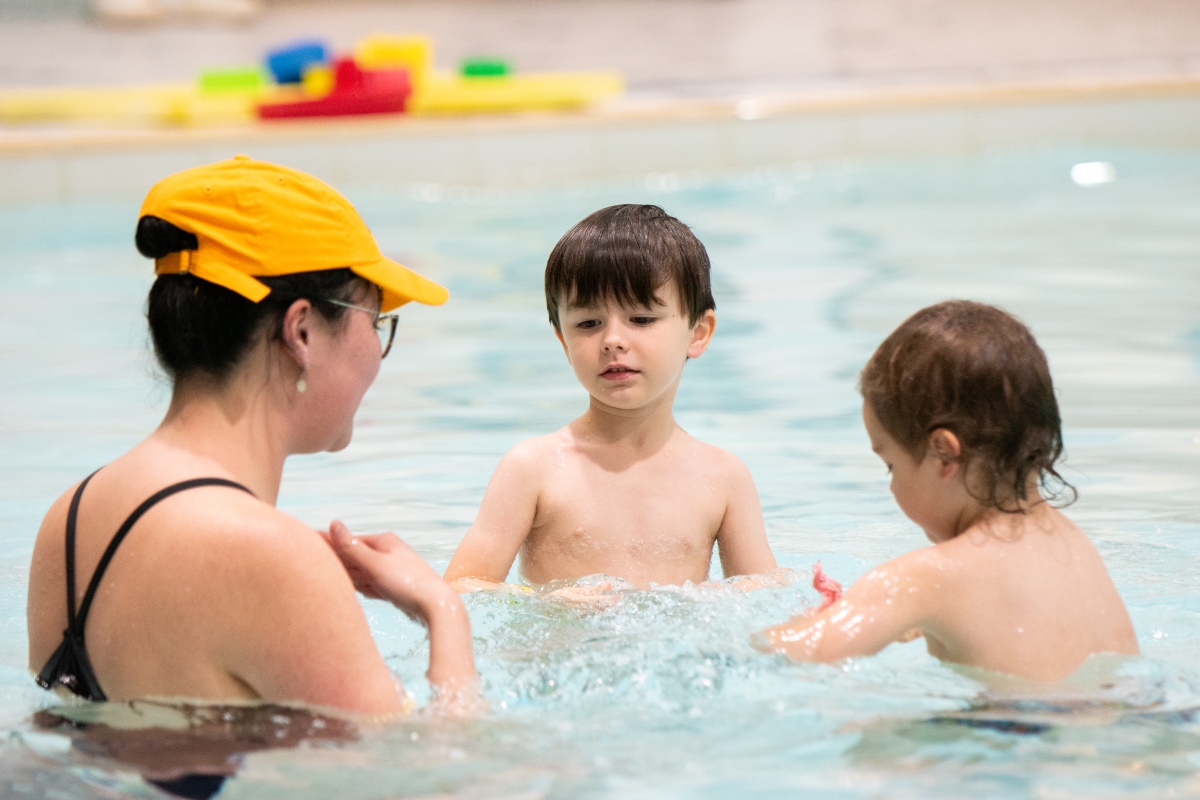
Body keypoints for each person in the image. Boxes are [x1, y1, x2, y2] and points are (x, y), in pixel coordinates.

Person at [27, 156, 476, 715]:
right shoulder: (277, 557)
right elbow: (445, 776)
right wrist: (442, 609)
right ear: (303, 330)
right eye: (376, 321)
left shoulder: (67, 522)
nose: (377, 353)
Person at [756, 300, 1138, 681]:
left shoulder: (925, 578)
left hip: (1017, 730)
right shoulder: (1074, 546)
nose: (891, 483)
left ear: (943, 455)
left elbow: (807, 651)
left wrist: (791, 627)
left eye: (891, 465)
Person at [444, 204, 777, 592]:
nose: (613, 340)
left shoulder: (722, 478)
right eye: (588, 324)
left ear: (698, 332)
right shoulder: (534, 469)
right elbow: (460, 588)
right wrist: (549, 602)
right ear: (563, 341)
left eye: (642, 319)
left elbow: (764, 595)